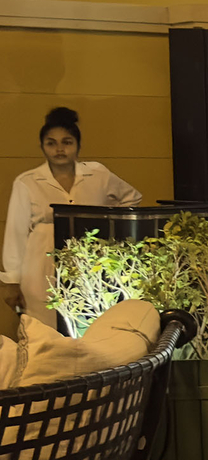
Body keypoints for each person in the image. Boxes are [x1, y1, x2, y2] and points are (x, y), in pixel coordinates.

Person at [1, 107, 145, 332]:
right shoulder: (27, 182)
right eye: (51, 143)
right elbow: (16, 232)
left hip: (88, 259)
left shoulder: (97, 174)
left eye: (67, 142)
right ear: (42, 147)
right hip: (41, 261)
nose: (59, 149)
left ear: (78, 146)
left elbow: (131, 198)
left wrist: (107, 226)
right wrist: (11, 281)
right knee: (43, 325)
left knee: (89, 321)